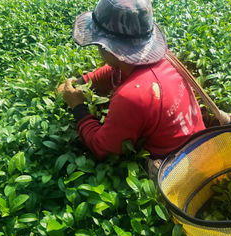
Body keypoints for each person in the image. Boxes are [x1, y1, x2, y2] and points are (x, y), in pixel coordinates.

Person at [58, 0, 206, 161]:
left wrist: (77, 106)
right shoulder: (166, 59)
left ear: (107, 49)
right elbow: (115, 71)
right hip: (202, 145)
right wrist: (83, 81)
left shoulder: (130, 97)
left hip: (176, 169)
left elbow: (103, 149)